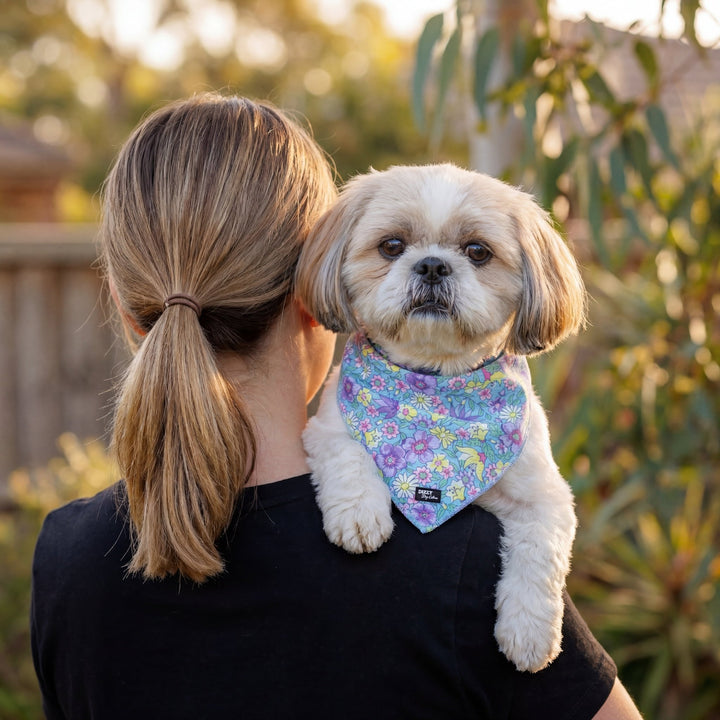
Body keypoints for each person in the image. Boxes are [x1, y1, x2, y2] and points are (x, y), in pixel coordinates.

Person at [31, 93, 641, 719]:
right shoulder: (471, 563)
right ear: (312, 284)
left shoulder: (65, 561)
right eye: (392, 248)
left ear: (131, 310)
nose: (429, 269)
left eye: (476, 253)